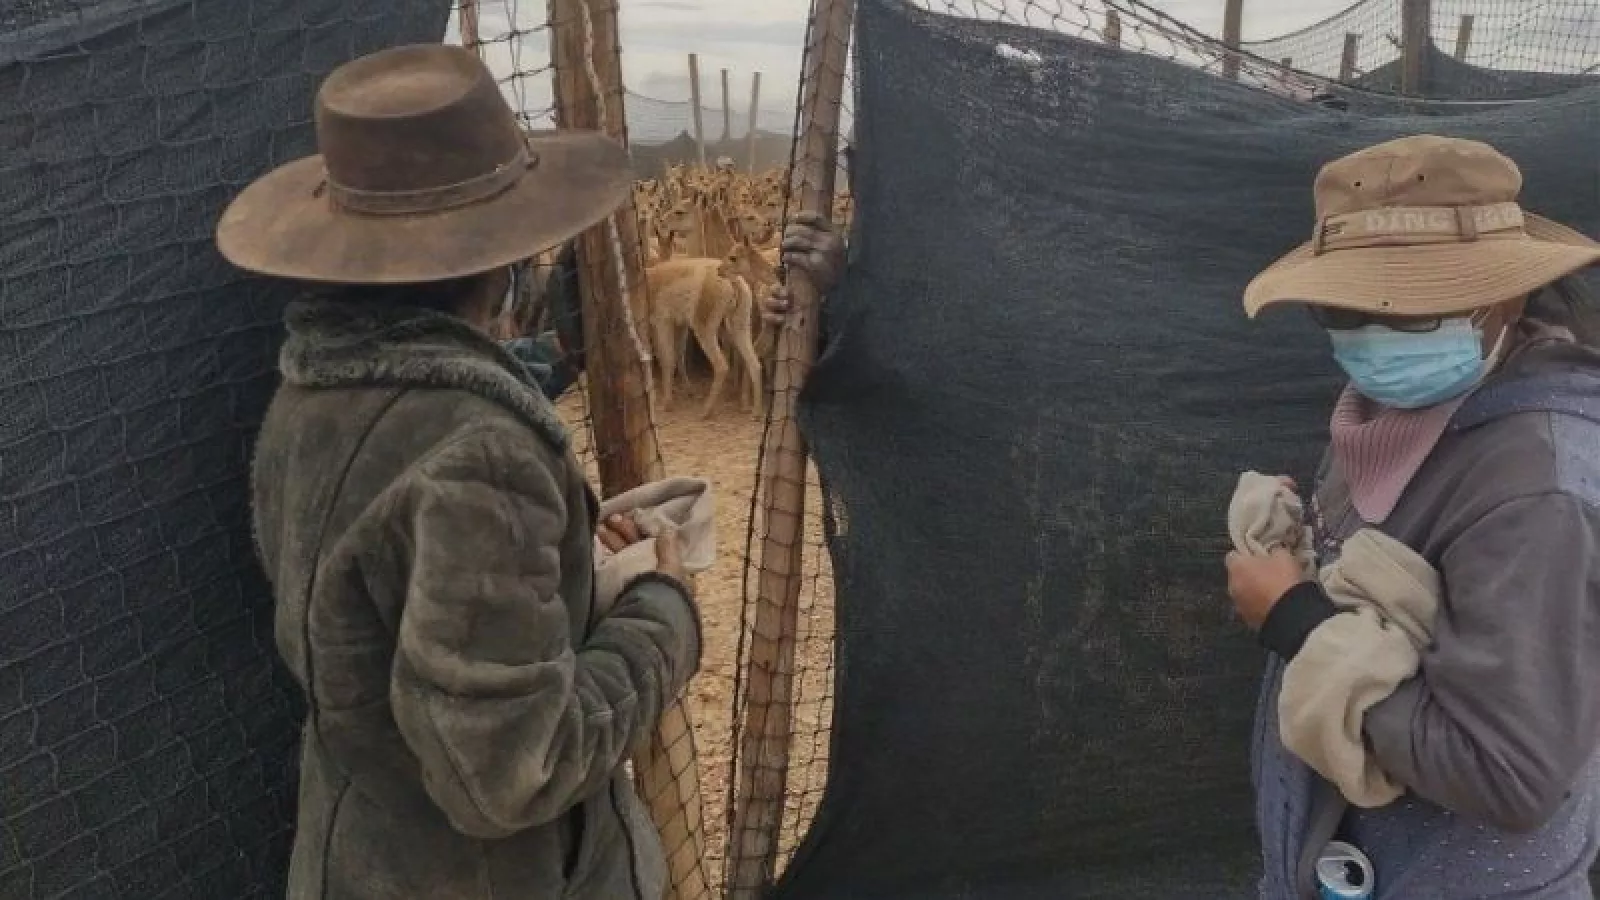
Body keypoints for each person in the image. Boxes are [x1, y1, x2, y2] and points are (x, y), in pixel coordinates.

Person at [215, 44, 700, 900]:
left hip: (359, 858)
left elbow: (389, 624)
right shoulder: (483, 455)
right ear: (500, 259)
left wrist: (560, 561)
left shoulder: (309, 399)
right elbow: (513, 771)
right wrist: (662, 612)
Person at [1227, 135, 1600, 898]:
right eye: (1345, 308)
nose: (1375, 327)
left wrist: (1294, 618)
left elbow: (1507, 772)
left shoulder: (1536, 493)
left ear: (1506, 299)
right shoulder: (1392, 409)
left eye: (1411, 309)